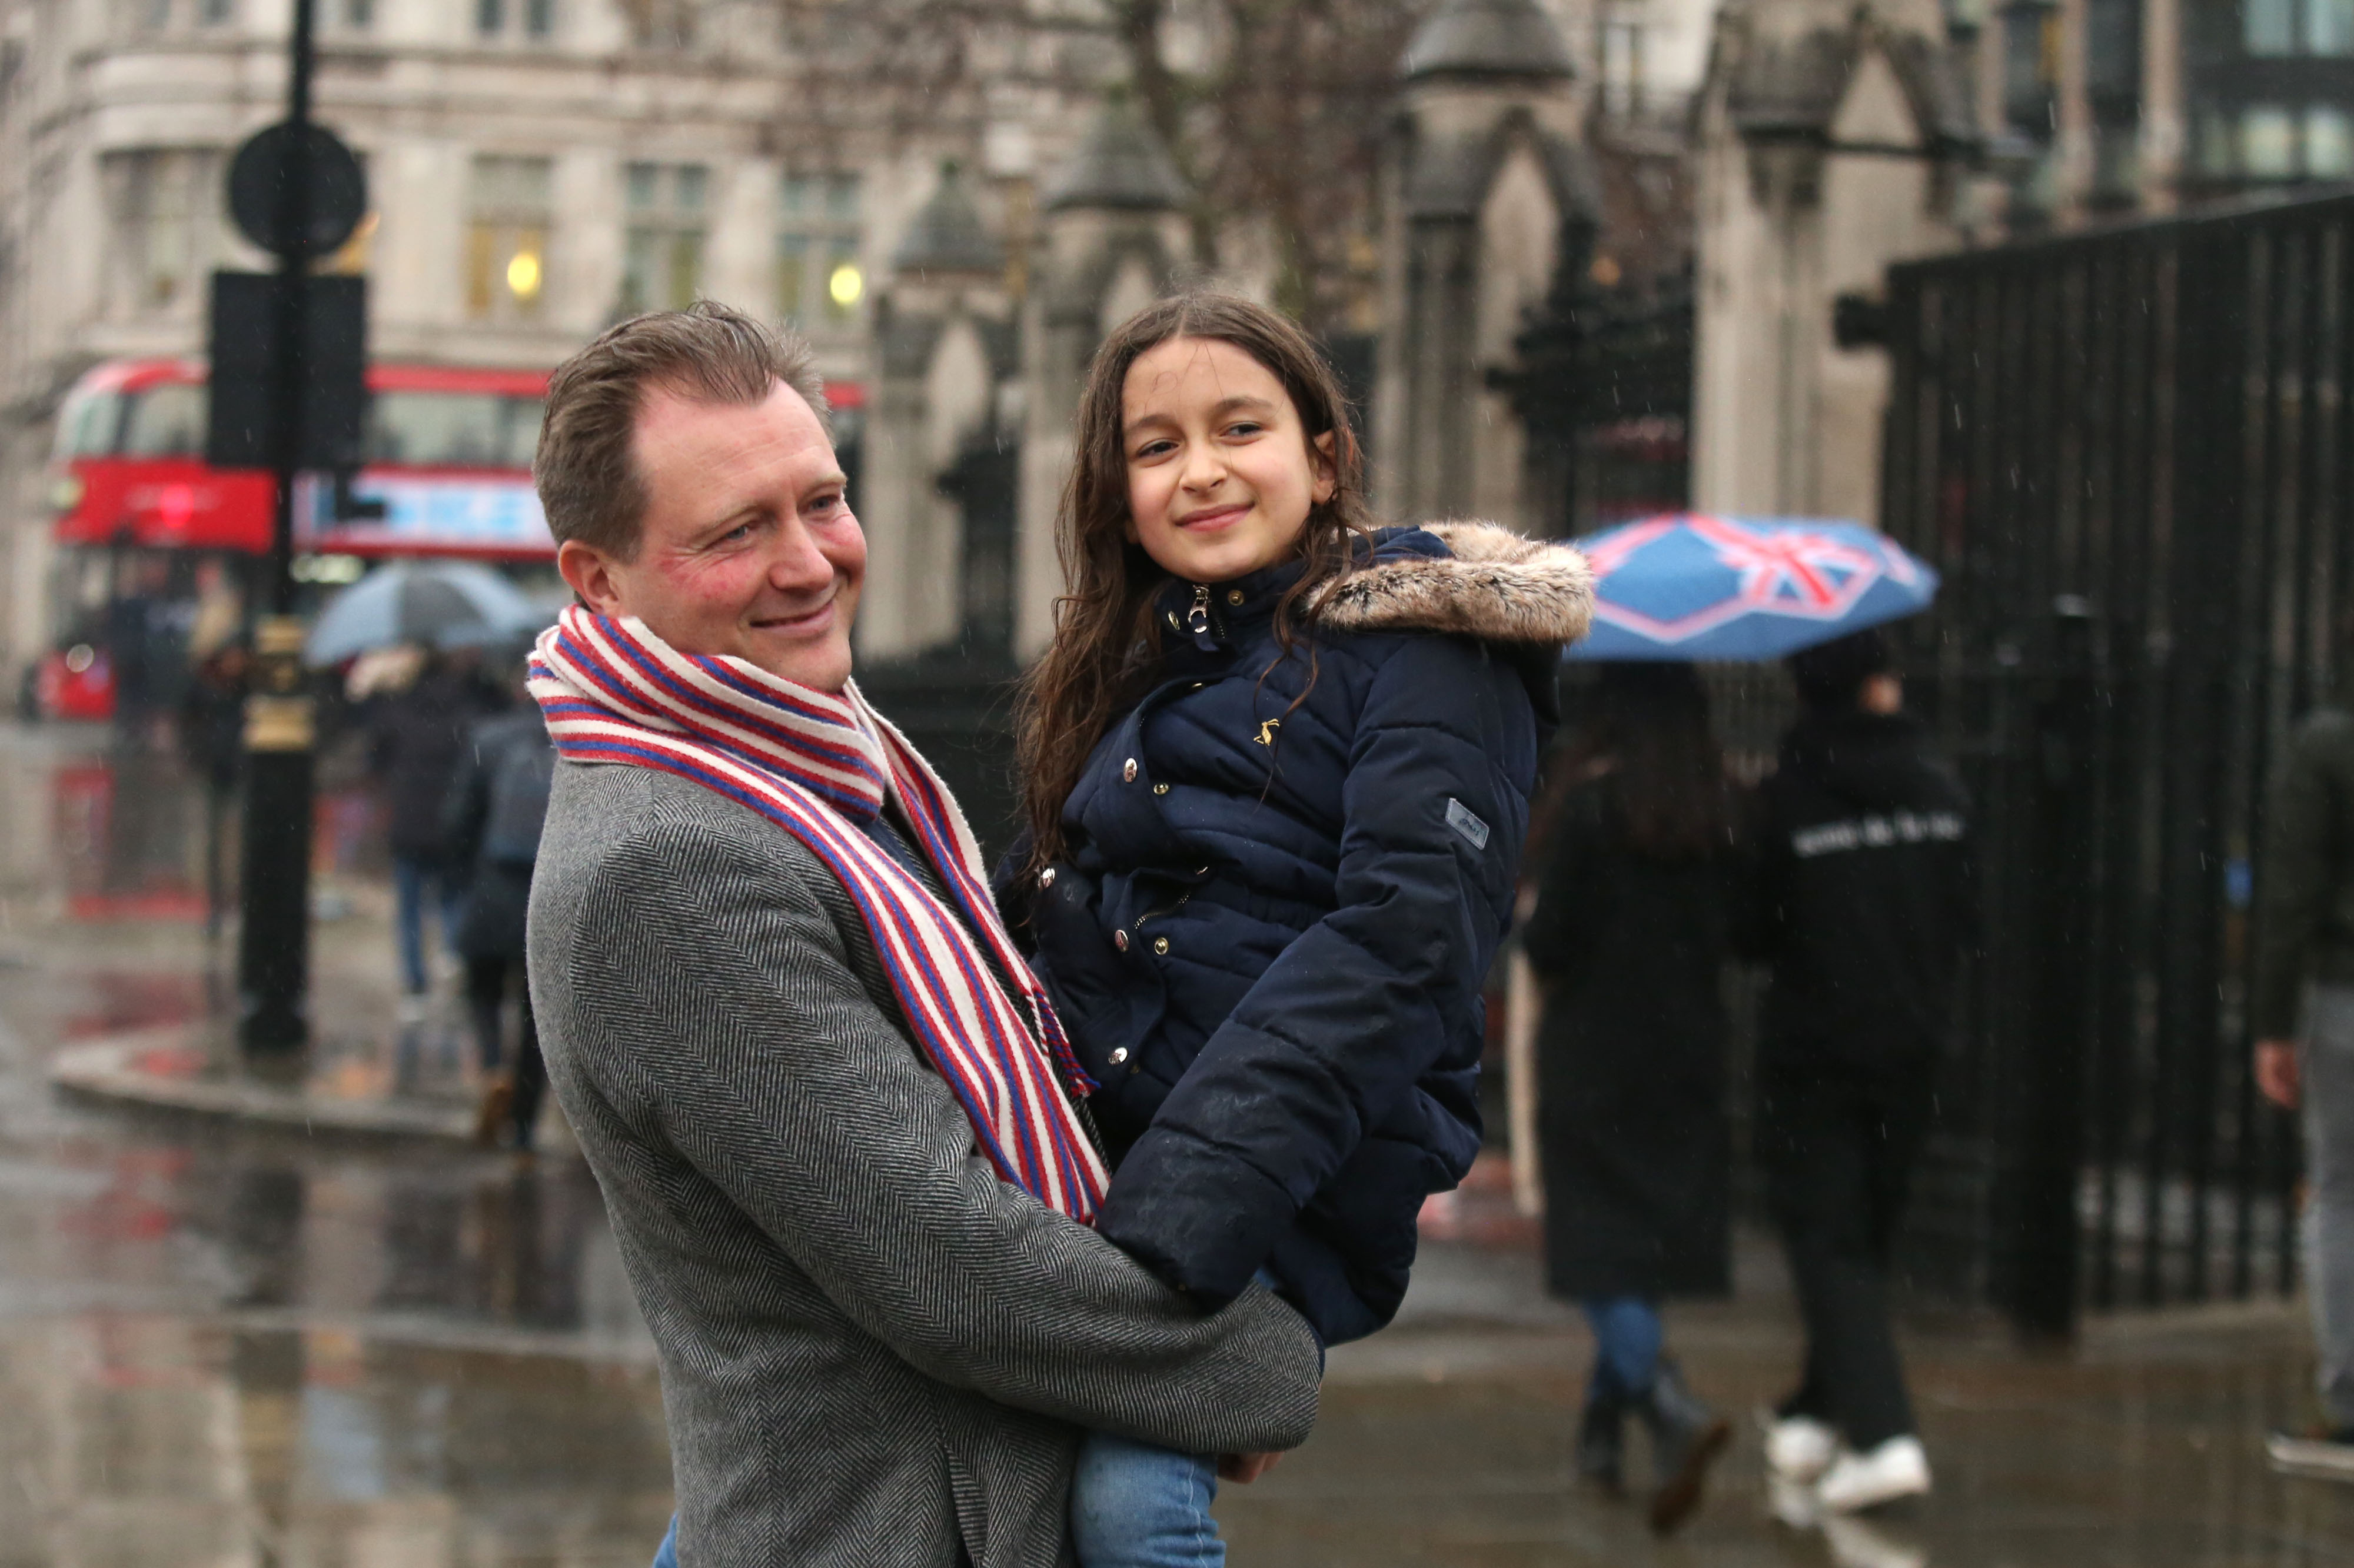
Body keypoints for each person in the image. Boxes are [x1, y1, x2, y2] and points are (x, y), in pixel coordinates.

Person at [523, 302, 1321, 1567]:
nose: (807, 561)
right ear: (596, 577)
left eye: (821, 500)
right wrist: (1257, 1358)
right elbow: (950, 1268)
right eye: (736, 532)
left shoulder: (817, 751)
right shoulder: (664, 864)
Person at [998, 292, 1592, 1566]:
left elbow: (1401, 944)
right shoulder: (1149, 661)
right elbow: (1060, 901)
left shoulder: (1427, 647)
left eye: (1238, 427)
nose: (1199, 470)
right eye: (1155, 447)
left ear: (1322, 455)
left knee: (1125, 1500)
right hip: (1105, 1168)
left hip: (1261, 1188)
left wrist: (1175, 1236)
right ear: (1114, 490)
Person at [1747, 627, 1972, 1514]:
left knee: (1829, 1240)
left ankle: (1883, 1439)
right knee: (1863, 1240)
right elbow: (1968, 913)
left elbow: (1752, 930)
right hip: (1914, 1045)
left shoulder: (1791, 797)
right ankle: (1813, 1411)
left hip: (1816, 1051)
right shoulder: (1941, 788)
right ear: (1880, 684)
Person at [1521, 662, 1738, 1534]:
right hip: (1686, 1060)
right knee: (1641, 1254)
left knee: (1600, 1258)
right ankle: (1602, 1435)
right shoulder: (1717, 813)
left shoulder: (1591, 809)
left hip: (1594, 1062)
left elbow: (1547, 943)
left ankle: (1666, 1407)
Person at [2253, 688, 2354, 1477]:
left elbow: (2292, 892)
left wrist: (2273, 1019)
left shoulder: (2328, 746)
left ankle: (2351, 1402)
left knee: (2340, 1191)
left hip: (2344, 992)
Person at [440, 671, 554, 1151]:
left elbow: (458, 820)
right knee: (539, 1018)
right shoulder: (578, 748)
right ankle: (524, 1127)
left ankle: (491, 1067)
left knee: (483, 991)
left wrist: (461, 884)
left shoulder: (491, 738)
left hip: (493, 887)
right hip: (547, 896)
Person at [370, 647, 493, 1015]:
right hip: (451, 824)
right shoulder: (468, 712)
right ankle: (452, 956)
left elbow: (376, 757)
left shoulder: (399, 710)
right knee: (452, 896)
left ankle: (414, 984)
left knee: (409, 907)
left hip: (408, 822)